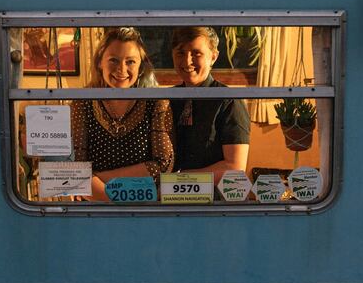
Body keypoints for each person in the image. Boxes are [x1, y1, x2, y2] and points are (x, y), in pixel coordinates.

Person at [70, 27, 174, 201]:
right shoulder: (82, 102)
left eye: (130, 61)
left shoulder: (157, 102)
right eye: (113, 60)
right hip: (94, 210)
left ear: (141, 66)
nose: (122, 69)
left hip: (145, 209)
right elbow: (76, 168)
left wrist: (97, 180)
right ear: (99, 63)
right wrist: (112, 201)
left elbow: (163, 165)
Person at [169, 27, 250, 182]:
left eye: (196, 53)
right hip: (167, 196)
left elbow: (234, 167)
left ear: (213, 57)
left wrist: (179, 180)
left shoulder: (230, 101)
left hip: (213, 200)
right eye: (180, 53)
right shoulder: (167, 99)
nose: (187, 61)